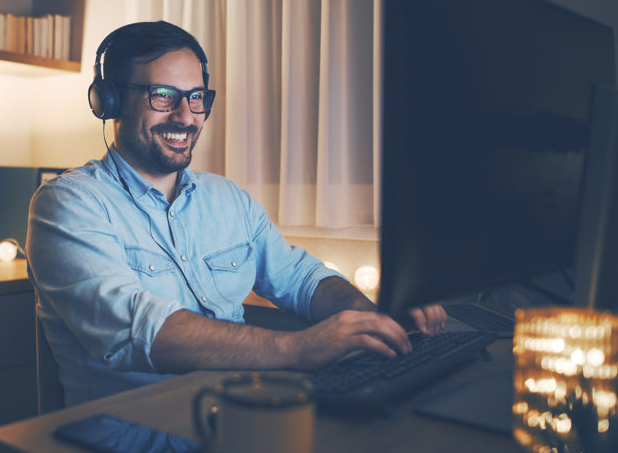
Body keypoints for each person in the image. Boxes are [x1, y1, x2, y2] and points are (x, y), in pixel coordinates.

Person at [27, 21, 445, 406]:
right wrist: (296, 349)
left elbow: (301, 278)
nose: (186, 116)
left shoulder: (228, 199)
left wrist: (371, 320)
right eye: (163, 96)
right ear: (110, 101)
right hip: (133, 443)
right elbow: (140, 330)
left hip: (238, 419)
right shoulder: (68, 205)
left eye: (196, 98)